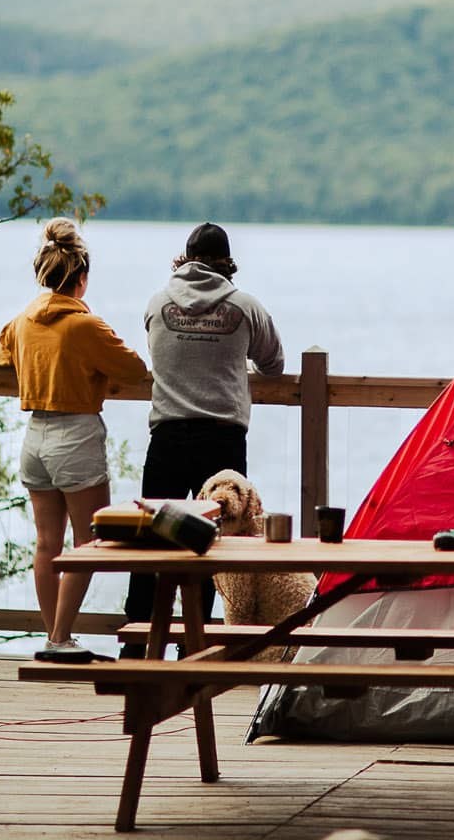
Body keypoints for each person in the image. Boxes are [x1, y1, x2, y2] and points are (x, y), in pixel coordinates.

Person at [0, 217, 148, 661]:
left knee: (47, 544)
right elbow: (134, 369)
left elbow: (0, 353)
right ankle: (59, 639)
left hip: (34, 437)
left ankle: (55, 636)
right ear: (81, 278)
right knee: (90, 543)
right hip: (75, 436)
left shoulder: (22, 321)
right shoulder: (86, 326)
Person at [123, 222, 284, 649]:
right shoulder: (245, 306)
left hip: (169, 434)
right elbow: (275, 363)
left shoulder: (157, 304)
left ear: (184, 258)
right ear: (227, 263)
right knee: (218, 543)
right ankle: (199, 641)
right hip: (222, 438)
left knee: (152, 538)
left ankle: (136, 640)